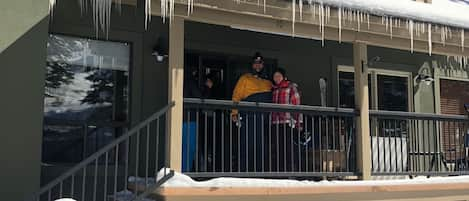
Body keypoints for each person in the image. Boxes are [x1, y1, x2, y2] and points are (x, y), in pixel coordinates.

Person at [231, 52, 273, 172]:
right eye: (255, 63)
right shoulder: (245, 78)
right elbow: (236, 96)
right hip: (249, 115)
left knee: (263, 145)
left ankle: (261, 171)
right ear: (252, 64)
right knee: (248, 143)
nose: (258, 66)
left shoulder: (268, 82)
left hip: (264, 118)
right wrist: (234, 112)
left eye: (260, 63)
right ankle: (244, 171)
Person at [271, 68, 302, 172]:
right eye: (275, 76)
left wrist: (298, 123)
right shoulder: (273, 89)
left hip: (288, 122)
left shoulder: (291, 87)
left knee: (288, 148)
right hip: (275, 122)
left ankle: (290, 171)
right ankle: (279, 172)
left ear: (284, 77)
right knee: (278, 148)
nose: (276, 78)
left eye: (278, 76)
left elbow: (297, 104)